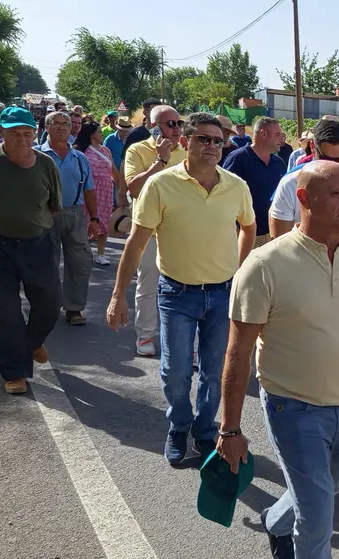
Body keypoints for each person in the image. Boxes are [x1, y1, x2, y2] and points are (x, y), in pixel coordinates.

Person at [217, 161, 339, 559]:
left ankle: (275, 520)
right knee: (317, 519)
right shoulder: (265, 265)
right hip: (292, 407)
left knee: (332, 485)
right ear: (303, 199)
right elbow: (237, 352)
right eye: (336, 194)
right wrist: (230, 428)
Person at [107, 112, 256, 466]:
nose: (212, 146)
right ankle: (179, 426)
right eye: (203, 139)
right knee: (175, 370)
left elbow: (248, 228)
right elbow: (136, 242)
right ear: (185, 142)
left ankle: (205, 431)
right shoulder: (161, 185)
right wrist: (117, 296)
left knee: (214, 367)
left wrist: (236, 268)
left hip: (222, 293)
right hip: (176, 294)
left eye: (218, 141)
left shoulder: (235, 185)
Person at [0, 107, 62, 395]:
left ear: (35, 133)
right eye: (14, 133)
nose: (21, 139)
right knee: (5, 312)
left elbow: (53, 205)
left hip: (38, 244)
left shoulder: (45, 164)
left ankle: (32, 340)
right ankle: (15, 371)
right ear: (1, 132)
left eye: (27, 133)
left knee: (50, 303)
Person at [123, 105, 188, 357]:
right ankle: (145, 335)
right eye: (170, 124)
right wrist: (159, 161)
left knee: (186, 287)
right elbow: (135, 189)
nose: (176, 128)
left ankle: (186, 344)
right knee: (148, 284)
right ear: (153, 127)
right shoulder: (138, 150)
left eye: (178, 123)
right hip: (148, 230)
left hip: (181, 231)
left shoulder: (184, 152)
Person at [269, 119, 339, 246]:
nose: (331, 166)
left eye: (338, 159)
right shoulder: (290, 184)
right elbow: (279, 242)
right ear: (313, 148)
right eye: (326, 158)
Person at [36, 111, 98, 327]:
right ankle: (46, 307)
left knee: (80, 262)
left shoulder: (79, 158)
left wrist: (95, 219)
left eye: (67, 124)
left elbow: (89, 190)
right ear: (47, 127)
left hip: (75, 214)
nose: (63, 127)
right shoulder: (35, 155)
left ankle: (74, 308)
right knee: (46, 263)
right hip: (44, 215)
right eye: (57, 123)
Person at [222, 116, 287, 248]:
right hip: (244, 234)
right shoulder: (238, 159)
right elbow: (223, 194)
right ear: (263, 134)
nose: (281, 139)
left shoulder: (279, 163)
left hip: (272, 234)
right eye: (277, 135)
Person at [74, 123, 126, 266]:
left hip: (105, 191)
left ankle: (101, 254)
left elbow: (113, 171)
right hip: (88, 190)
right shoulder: (81, 151)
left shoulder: (105, 150)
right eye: (98, 132)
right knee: (85, 222)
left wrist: (121, 192)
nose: (101, 134)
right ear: (92, 135)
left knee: (104, 222)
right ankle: (82, 252)